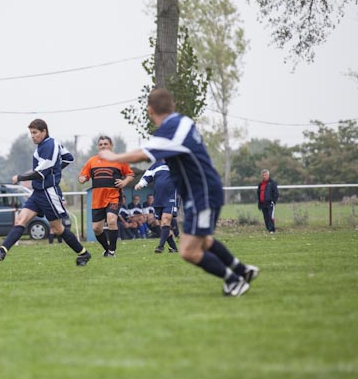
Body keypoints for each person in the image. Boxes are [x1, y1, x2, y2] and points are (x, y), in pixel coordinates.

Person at [99, 88, 259, 297]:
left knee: (188, 251)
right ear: (172, 105)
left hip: (202, 194)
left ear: (150, 110)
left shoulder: (171, 129)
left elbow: (142, 154)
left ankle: (234, 280)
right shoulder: (183, 122)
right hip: (200, 192)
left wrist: (113, 157)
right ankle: (242, 270)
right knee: (204, 241)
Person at [0, 118, 91, 266]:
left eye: (35, 133)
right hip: (38, 192)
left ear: (44, 131)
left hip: (48, 193)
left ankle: (83, 253)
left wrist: (20, 177)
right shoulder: (44, 146)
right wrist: (55, 169)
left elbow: (41, 173)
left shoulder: (50, 145)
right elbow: (67, 158)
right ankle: (1, 251)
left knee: (57, 229)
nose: (32, 136)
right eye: (31, 133)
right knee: (20, 220)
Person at [78, 136, 134, 257]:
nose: (103, 146)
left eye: (105, 144)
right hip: (97, 199)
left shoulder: (119, 160)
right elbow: (83, 175)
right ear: (98, 146)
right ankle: (107, 249)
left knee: (111, 220)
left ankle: (112, 251)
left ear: (111, 145)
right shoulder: (92, 161)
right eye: (101, 144)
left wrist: (124, 182)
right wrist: (82, 178)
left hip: (114, 196)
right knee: (96, 228)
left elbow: (130, 175)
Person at [135, 160, 178, 253]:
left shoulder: (177, 163)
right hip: (158, 199)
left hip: (170, 197)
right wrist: (140, 184)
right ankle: (174, 248)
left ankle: (160, 246)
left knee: (166, 221)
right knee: (163, 226)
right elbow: (146, 176)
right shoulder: (156, 166)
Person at [257, 169, 279, 233]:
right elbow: (258, 194)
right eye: (263, 175)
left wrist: (273, 201)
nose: (264, 176)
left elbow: (276, 193)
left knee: (270, 216)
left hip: (270, 203)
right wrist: (259, 203)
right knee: (266, 217)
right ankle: (268, 229)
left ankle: (272, 230)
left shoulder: (272, 183)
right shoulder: (260, 184)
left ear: (268, 175)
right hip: (263, 203)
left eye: (265, 175)